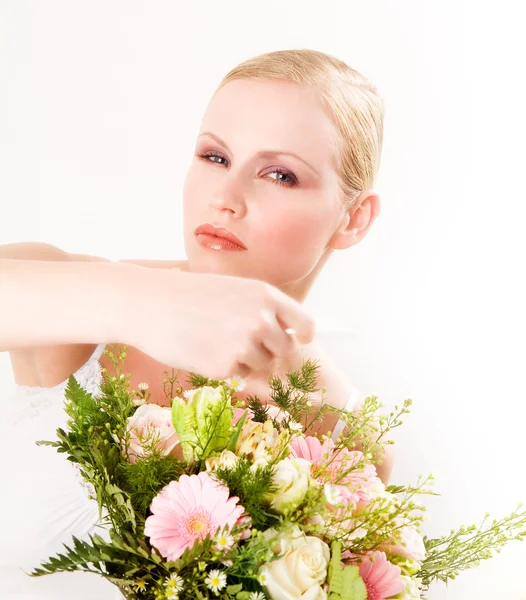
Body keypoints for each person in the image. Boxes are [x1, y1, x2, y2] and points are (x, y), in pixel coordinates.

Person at [0, 49, 390, 599]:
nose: (225, 198)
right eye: (214, 157)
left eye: (279, 174)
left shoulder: (345, 441)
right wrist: (140, 302)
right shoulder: (74, 312)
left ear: (353, 218)